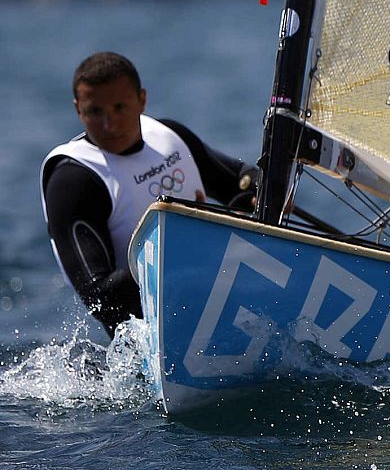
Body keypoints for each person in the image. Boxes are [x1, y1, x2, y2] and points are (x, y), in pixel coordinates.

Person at [40, 52, 256, 334]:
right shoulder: (74, 181)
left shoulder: (169, 137)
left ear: (142, 100)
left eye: (120, 107)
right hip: (148, 334)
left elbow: (241, 184)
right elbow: (100, 299)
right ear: (78, 109)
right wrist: (184, 245)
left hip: (224, 304)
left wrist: (267, 192)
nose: (109, 124)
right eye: (95, 112)